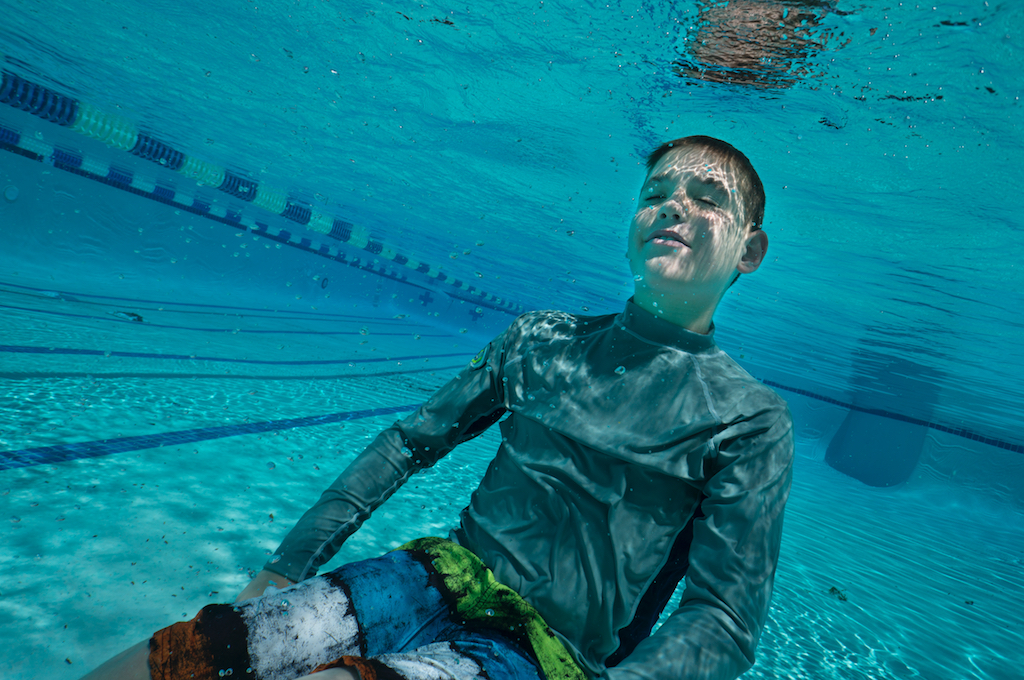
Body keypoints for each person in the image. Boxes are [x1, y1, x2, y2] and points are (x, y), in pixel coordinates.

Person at [83, 135, 794, 680]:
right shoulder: (541, 339)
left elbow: (724, 619)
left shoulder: (748, 418)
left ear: (749, 251)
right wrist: (289, 561)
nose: (674, 205)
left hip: (542, 650)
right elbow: (408, 443)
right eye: (657, 191)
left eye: (708, 198)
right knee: (188, 653)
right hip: (433, 576)